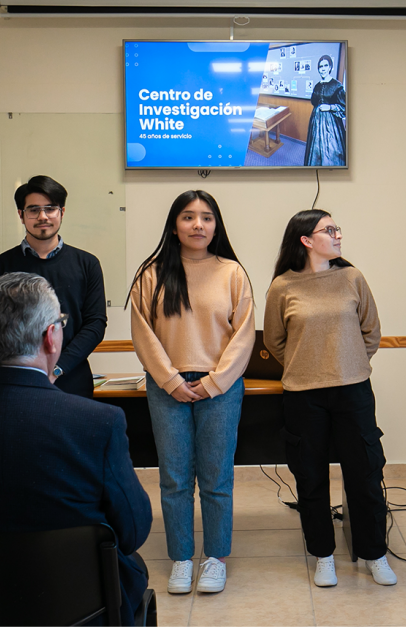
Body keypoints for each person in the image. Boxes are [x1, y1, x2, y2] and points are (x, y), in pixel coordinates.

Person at [0, 273, 152, 625]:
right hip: (79, 610)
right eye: (61, 323)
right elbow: (132, 531)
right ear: (52, 337)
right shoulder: (98, 422)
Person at [126, 190, 254, 595]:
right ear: (174, 224)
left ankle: (215, 558)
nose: (198, 225)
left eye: (207, 217)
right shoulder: (151, 272)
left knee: (217, 478)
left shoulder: (232, 272)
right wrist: (171, 381)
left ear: (216, 225)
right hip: (168, 387)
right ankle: (182, 557)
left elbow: (244, 335)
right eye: (188, 217)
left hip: (222, 387)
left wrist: (215, 382)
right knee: (175, 478)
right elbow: (142, 333)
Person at [264, 209, 397, 588]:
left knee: (365, 475)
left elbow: (370, 331)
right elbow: (275, 341)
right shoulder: (282, 286)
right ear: (306, 240)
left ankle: (375, 553)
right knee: (310, 478)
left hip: (353, 391)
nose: (338, 235)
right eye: (329, 230)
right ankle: (323, 555)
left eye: (337, 228)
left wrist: (348, 362)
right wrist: (309, 365)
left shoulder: (352, 277)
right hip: (303, 395)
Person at [0, 175, 107, 398]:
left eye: (50, 208)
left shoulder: (87, 264)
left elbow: (95, 324)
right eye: (33, 210)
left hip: (72, 381)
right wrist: (28, 371)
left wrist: (58, 369)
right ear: (21, 215)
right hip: (15, 383)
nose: (43, 216)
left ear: (62, 212)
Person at [303, 55, 346, 166]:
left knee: (331, 151)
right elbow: (313, 102)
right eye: (320, 66)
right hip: (316, 122)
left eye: (325, 65)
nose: (323, 68)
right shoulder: (317, 86)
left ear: (330, 67)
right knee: (315, 149)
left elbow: (345, 107)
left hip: (331, 124)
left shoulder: (337, 86)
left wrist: (330, 107)